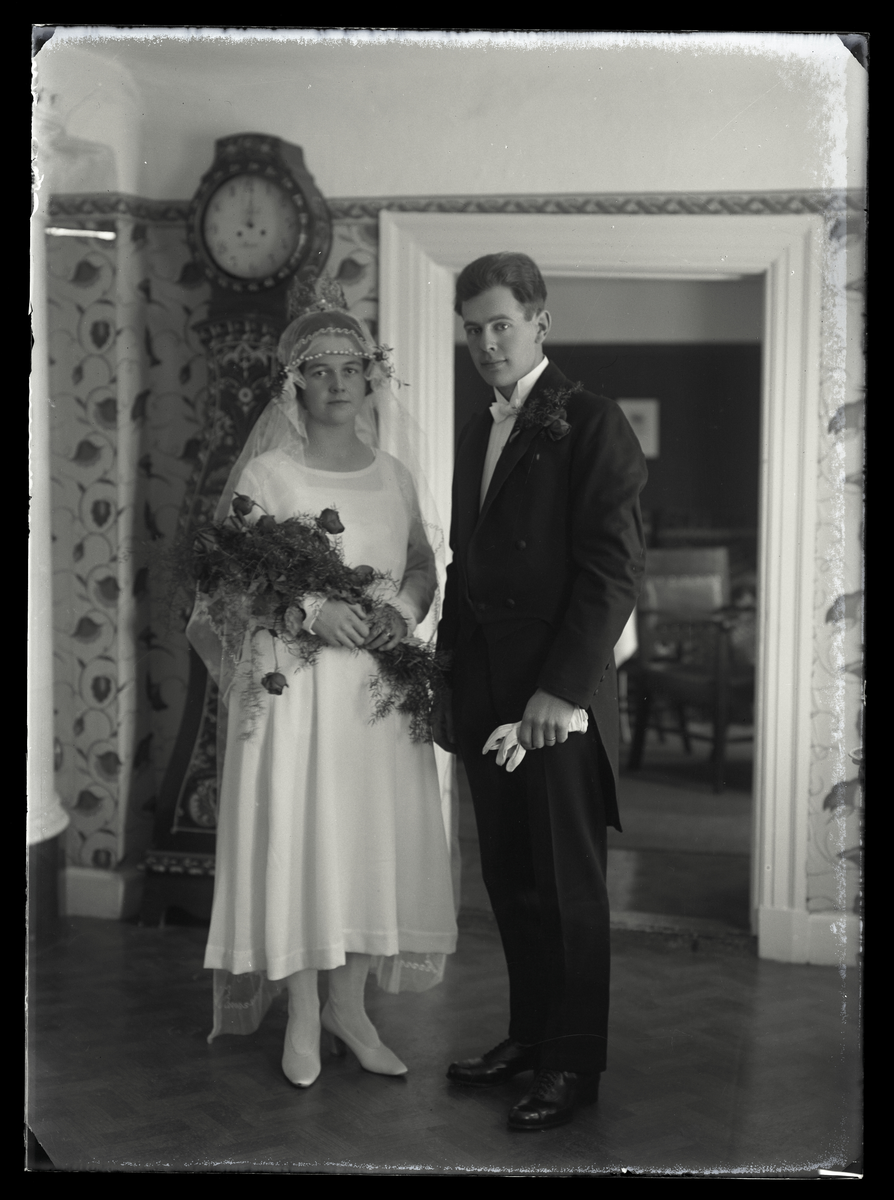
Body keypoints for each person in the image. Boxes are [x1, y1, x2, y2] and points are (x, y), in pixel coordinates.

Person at [188, 275, 457, 1089]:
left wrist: (401, 613)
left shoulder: (395, 476)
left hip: (375, 689)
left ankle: (350, 1007)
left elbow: (422, 565)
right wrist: (309, 609)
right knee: (301, 835)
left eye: (351, 368)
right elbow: (229, 584)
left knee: (369, 837)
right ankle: (303, 1012)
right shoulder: (269, 475)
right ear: (294, 383)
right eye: (320, 369)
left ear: (371, 377)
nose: (338, 383)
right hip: (294, 688)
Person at [434, 253, 647, 1131]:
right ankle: (529, 1038)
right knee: (513, 879)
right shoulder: (475, 426)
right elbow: (467, 566)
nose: (486, 342)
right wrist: (446, 678)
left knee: (566, 886)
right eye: (473, 328)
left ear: (539, 323)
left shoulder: (592, 420)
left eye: (501, 324)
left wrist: (562, 693)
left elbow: (612, 570)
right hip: (487, 687)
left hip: (556, 698)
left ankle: (571, 1064)